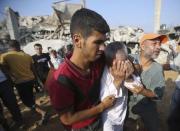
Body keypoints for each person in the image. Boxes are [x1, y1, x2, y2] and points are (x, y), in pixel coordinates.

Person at [46, 8, 118, 131]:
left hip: (100, 120)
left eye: (104, 42)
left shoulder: (97, 60)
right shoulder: (62, 80)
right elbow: (67, 119)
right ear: (77, 40)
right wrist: (102, 107)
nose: (102, 48)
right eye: (97, 42)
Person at [0, 40, 49, 125]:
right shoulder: (27, 55)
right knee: (30, 97)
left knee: (27, 102)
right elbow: (33, 69)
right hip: (31, 80)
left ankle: (43, 113)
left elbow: (4, 69)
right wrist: (37, 81)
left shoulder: (5, 56)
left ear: (9, 47)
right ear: (18, 46)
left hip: (20, 82)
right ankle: (35, 110)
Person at [128, 33, 168, 131]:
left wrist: (143, 91)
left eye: (159, 44)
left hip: (146, 105)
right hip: (126, 103)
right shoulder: (129, 59)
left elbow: (158, 95)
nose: (159, 47)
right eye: (154, 44)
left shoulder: (157, 68)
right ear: (142, 46)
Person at [100, 42, 143, 131]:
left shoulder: (128, 69)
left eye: (124, 62)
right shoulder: (104, 74)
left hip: (121, 115)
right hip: (107, 118)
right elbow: (106, 100)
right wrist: (118, 80)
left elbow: (137, 87)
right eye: (118, 64)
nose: (122, 67)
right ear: (110, 63)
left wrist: (128, 78)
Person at [0, 64, 23, 129]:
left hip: (4, 83)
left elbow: (5, 70)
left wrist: (11, 82)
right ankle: (4, 126)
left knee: (11, 103)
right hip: (5, 83)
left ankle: (19, 120)